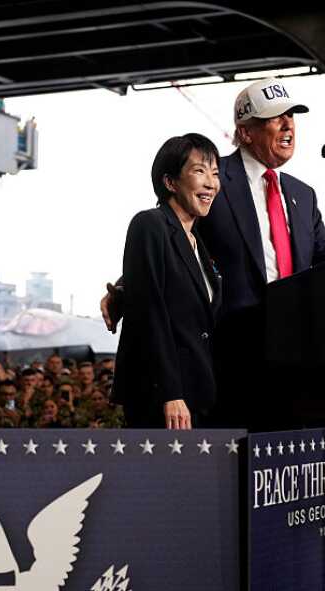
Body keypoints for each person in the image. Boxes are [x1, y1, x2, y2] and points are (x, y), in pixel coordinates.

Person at [103, 78, 325, 428]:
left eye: (292, 116)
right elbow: (168, 239)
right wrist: (125, 289)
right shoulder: (210, 180)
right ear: (246, 132)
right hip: (228, 362)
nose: (288, 125)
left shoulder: (303, 195)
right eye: (275, 117)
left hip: (289, 357)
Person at [113, 133, 222, 429]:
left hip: (198, 393)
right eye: (199, 171)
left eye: (215, 174)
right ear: (170, 182)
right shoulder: (149, 224)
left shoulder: (198, 241)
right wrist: (170, 393)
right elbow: (149, 312)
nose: (211, 183)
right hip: (162, 397)